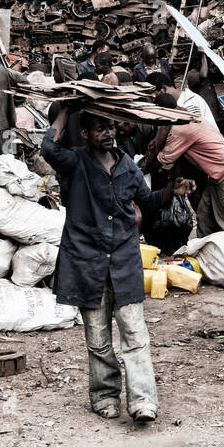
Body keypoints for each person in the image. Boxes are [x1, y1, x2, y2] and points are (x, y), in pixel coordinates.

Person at [42, 105, 194, 422]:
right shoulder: (75, 163)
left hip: (124, 261)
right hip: (87, 261)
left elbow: (146, 202)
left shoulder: (128, 166)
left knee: (135, 336)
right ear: (85, 134)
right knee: (97, 340)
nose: (109, 133)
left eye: (111, 127)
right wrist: (67, 112)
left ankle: (142, 402)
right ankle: (104, 395)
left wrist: (170, 192)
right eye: (100, 128)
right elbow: (48, 147)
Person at [153, 92, 224, 237]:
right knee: (205, 216)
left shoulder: (180, 128)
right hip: (218, 173)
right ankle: (207, 250)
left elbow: (164, 158)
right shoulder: (192, 117)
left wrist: (143, 167)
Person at [147, 70, 217, 128]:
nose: (153, 101)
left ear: (163, 89)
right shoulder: (174, 103)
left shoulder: (190, 104)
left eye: (154, 96)